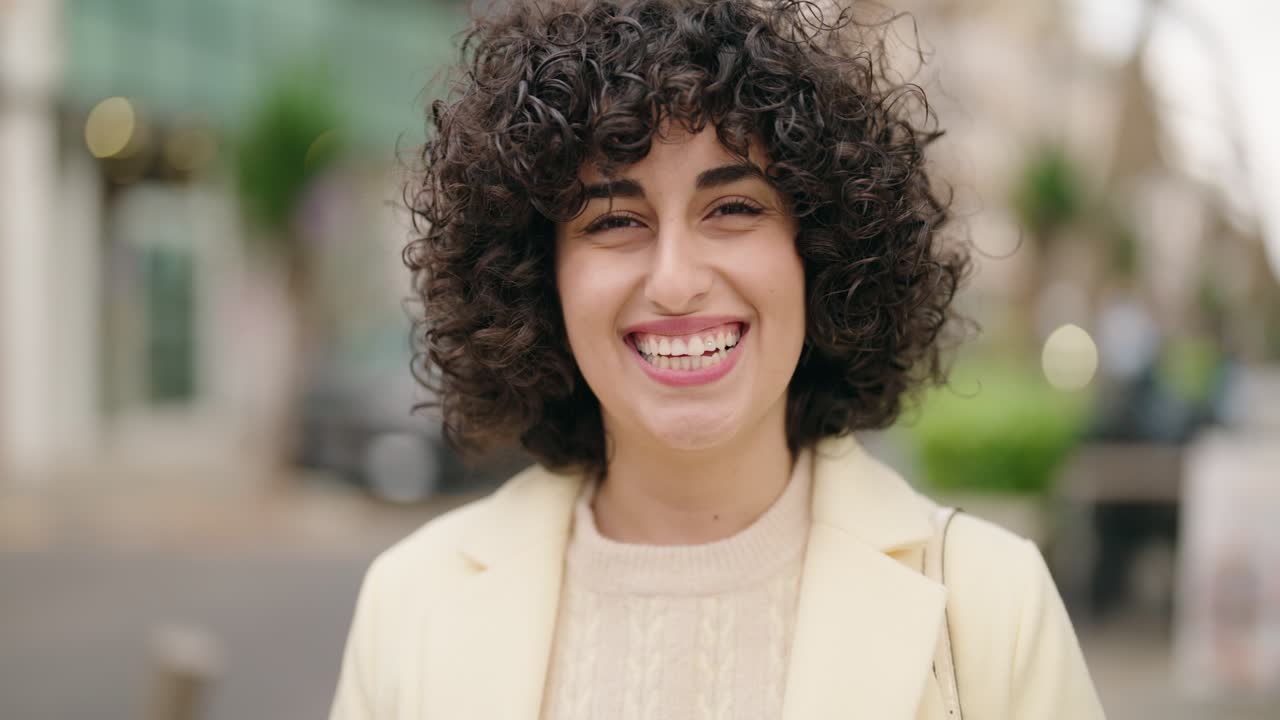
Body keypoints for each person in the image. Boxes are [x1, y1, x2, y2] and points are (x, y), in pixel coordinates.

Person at [330, 0, 1106, 718]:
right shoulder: (410, 604)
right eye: (615, 220)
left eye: (732, 208)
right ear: (540, 277)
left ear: (821, 253)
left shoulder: (992, 605)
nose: (675, 281)